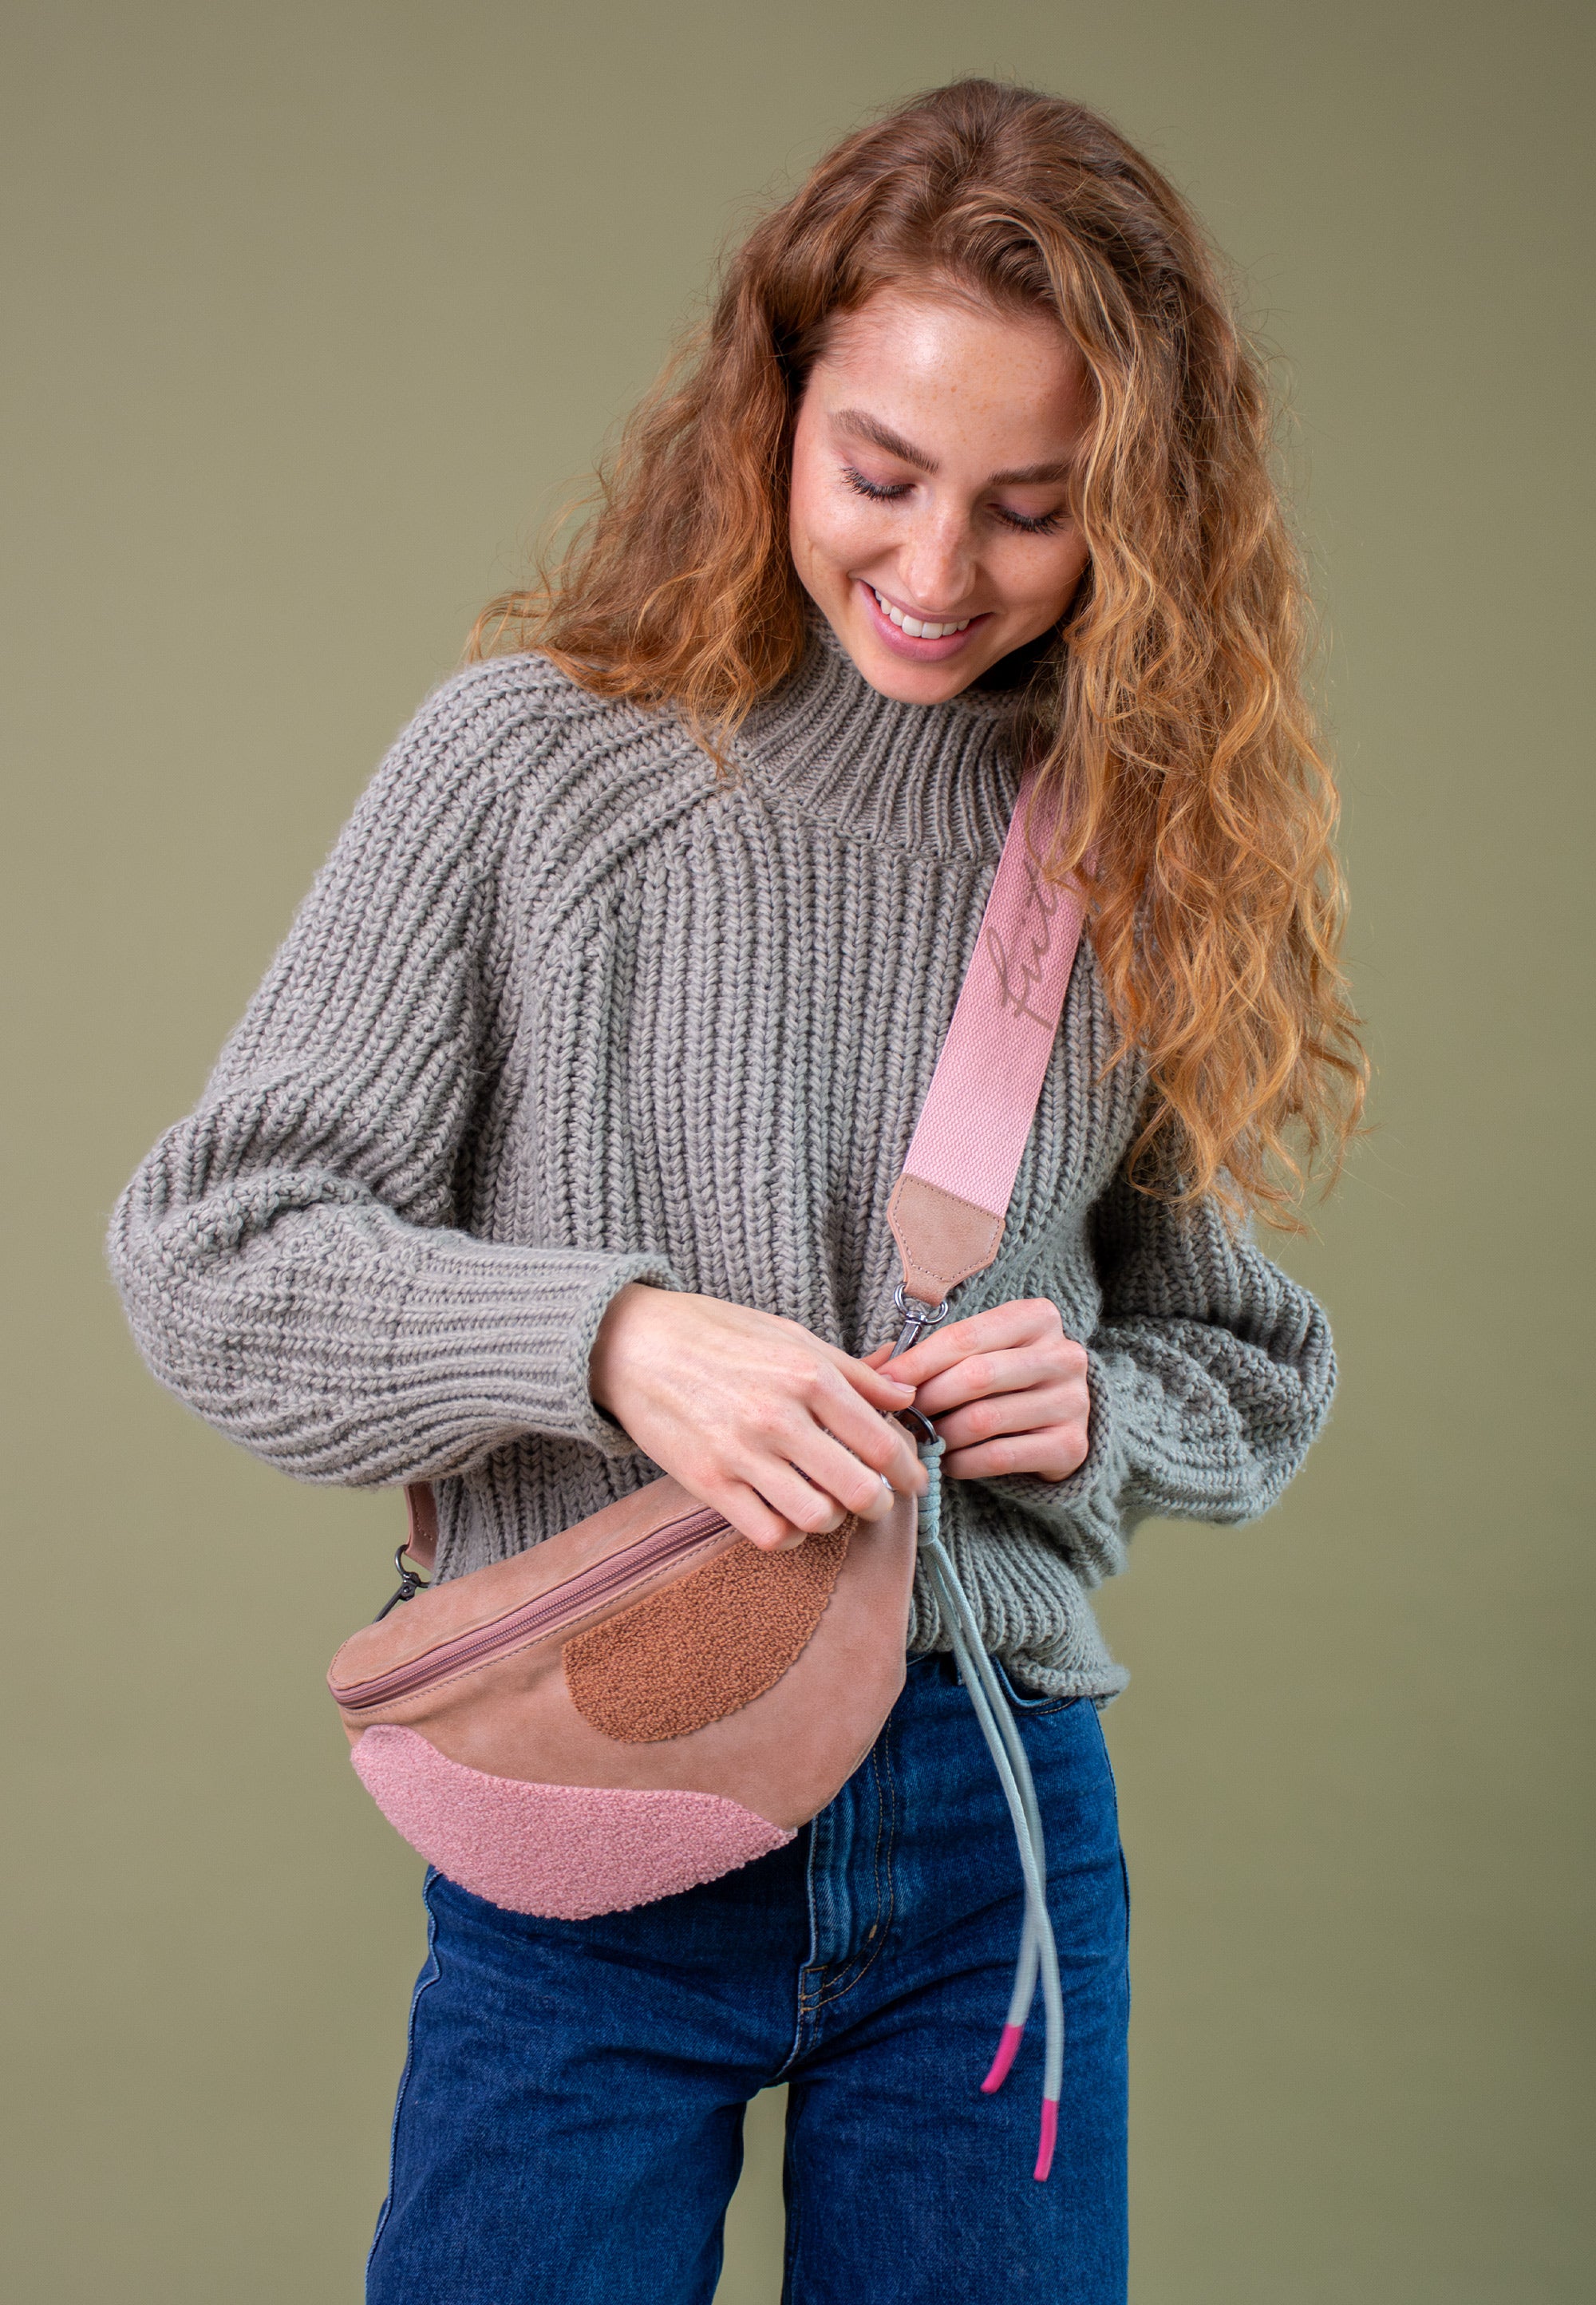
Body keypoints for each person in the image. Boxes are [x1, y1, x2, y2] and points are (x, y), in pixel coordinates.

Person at [109, 77, 1363, 2305]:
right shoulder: (531, 771)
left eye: (1036, 509)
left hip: (990, 1830)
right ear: (773, 409)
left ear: (1139, 512)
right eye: (881, 474)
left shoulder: (1123, 846)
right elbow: (213, 1253)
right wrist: (608, 1340)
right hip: (599, 1807)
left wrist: (1093, 1403)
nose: (939, 571)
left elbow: (1245, 1363)